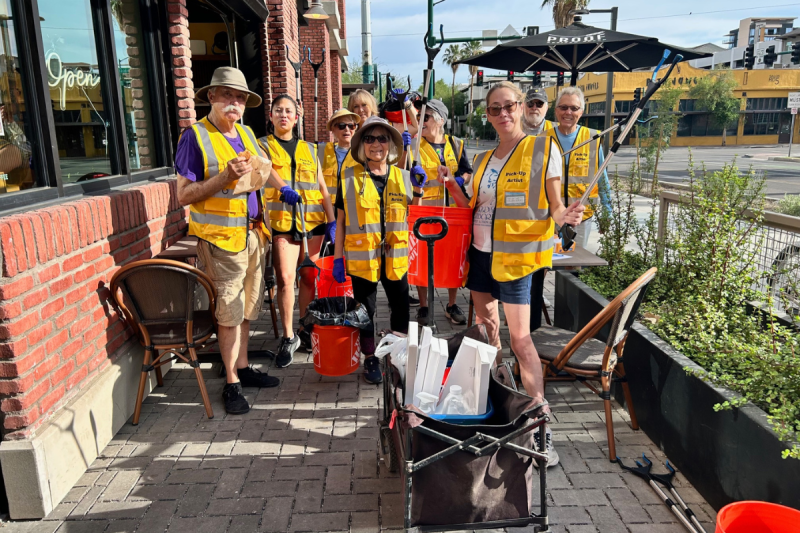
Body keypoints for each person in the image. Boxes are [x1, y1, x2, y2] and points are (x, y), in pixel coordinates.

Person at [441, 81, 584, 467]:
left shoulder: (542, 147)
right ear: (487, 115)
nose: (503, 114)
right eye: (494, 109)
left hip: (518, 259)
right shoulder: (485, 158)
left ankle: (540, 425)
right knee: (488, 335)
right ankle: (503, 403)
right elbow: (472, 205)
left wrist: (565, 216)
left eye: (509, 106)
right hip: (481, 257)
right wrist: (450, 185)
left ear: (521, 107)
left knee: (520, 341)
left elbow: (556, 207)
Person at [175, 67, 286, 415]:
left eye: (239, 98)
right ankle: (231, 385)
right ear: (211, 97)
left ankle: (241, 367)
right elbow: (184, 195)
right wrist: (224, 176)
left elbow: (262, 171)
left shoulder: (248, 134)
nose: (234, 103)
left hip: (254, 234)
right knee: (228, 313)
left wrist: (285, 189)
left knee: (248, 307)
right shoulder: (194, 136)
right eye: (227, 95)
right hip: (221, 240)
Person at [332, 117, 413, 384]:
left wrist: (420, 185)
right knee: (364, 311)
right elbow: (341, 221)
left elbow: (416, 211)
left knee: (400, 309)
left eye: (381, 138)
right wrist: (337, 257)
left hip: (396, 258)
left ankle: (398, 356)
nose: (376, 144)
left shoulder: (403, 176)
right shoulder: (348, 177)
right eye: (369, 139)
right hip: (362, 257)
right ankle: (370, 359)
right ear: (361, 145)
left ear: (389, 144)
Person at [258, 94, 336, 367]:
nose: (283, 114)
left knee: (307, 277)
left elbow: (323, 189)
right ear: (271, 116)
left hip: (312, 224)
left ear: (296, 116)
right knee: (285, 277)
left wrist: (332, 220)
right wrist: (283, 188)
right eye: (277, 110)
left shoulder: (309, 149)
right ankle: (289, 336)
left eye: (288, 110)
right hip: (282, 224)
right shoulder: (262, 145)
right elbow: (265, 171)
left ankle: (304, 327)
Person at [408, 99, 472, 327]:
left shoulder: (456, 144)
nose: (421, 121)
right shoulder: (414, 146)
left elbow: (467, 172)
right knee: (424, 260)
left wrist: (456, 180)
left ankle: (451, 304)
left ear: (440, 120)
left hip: (453, 212)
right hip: (425, 211)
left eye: (426, 117)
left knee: (454, 260)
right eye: (420, 117)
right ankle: (424, 307)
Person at [546, 87, 612, 250]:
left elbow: (601, 177)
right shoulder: (542, 139)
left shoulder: (592, 138)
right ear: (556, 111)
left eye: (574, 108)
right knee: (546, 263)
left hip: (581, 216)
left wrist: (607, 211)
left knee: (573, 265)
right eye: (563, 107)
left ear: (581, 112)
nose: (568, 112)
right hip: (550, 215)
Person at [318, 108, 361, 208]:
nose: (347, 129)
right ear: (333, 129)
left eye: (351, 126)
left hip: (352, 212)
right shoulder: (321, 151)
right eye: (341, 126)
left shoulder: (362, 154)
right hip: (326, 212)